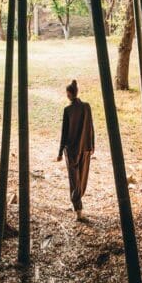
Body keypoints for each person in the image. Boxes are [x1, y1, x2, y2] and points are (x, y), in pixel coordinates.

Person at [56, 79, 95, 220]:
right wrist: (92, 144)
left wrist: (60, 152)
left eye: (67, 94)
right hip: (85, 148)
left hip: (72, 151)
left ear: (69, 94)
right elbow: (91, 127)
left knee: (74, 180)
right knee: (82, 179)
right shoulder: (87, 107)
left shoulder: (68, 110)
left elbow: (64, 132)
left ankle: (78, 208)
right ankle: (77, 202)